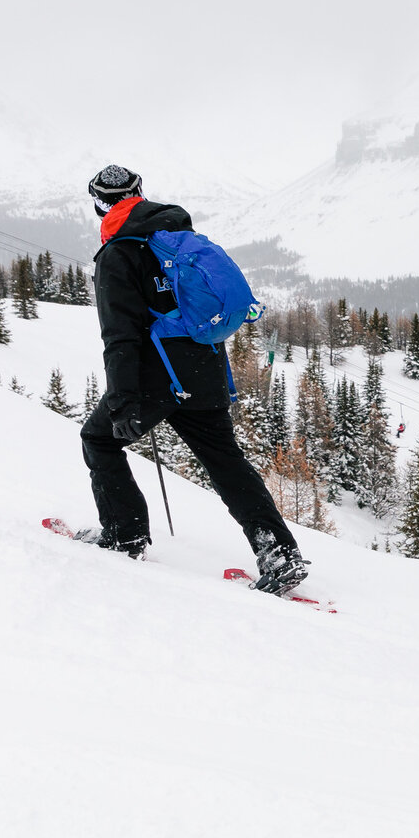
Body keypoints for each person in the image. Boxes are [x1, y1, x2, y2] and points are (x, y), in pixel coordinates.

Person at [72, 165, 310, 596]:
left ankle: (124, 535)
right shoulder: (178, 235)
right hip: (204, 365)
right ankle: (278, 553)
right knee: (225, 461)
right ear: (140, 192)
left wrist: (124, 400)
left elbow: (120, 334)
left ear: (98, 203)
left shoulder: (117, 254)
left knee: (99, 439)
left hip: (155, 375)